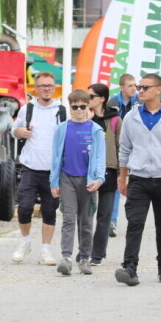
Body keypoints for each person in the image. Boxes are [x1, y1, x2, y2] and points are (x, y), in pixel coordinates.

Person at [114, 73, 161, 286]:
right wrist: (122, 177)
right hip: (139, 179)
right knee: (135, 223)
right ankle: (130, 268)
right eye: (139, 87)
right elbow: (125, 149)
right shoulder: (132, 117)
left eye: (145, 87)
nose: (141, 90)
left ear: (158, 89)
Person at [11, 72, 66, 265]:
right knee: (24, 207)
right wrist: (19, 132)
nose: (46, 89)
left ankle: (46, 249)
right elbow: (14, 129)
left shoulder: (62, 110)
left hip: (53, 170)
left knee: (50, 210)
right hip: (30, 167)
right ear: (36, 88)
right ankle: (25, 241)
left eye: (50, 85)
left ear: (54, 87)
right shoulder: (27, 109)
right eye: (42, 85)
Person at [50, 89, 106, 276]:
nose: (79, 110)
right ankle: (66, 258)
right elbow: (56, 157)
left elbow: (99, 157)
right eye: (75, 107)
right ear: (70, 107)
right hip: (67, 178)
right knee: (68, 218)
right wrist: (54, 182)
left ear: (88, 106)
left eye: (83, 106)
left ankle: (84, 259)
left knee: (86, 221)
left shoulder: (96, 129)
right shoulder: (62, 129)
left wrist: (99, 179)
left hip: (88, 180)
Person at [87, 83, 120, 265]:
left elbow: (121, 146)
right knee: (85, 214)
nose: (87, 100)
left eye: (91, 97)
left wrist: (123, 173)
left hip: (109, 170)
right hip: (87, 171)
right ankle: (85, 250)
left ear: (102, 99)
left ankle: (97, 254)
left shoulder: (114, 119)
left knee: (104, 215)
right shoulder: (83, 117)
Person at [106, 73, 138, 237]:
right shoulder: (112, 103)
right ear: (122, 87)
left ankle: (135, 220)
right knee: (118, 183)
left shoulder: (140, 101)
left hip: (137, 148)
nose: (134, 88)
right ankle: (111, 221)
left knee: (136, 185)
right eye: (131, 85)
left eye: (135, 85)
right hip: (119, 147)